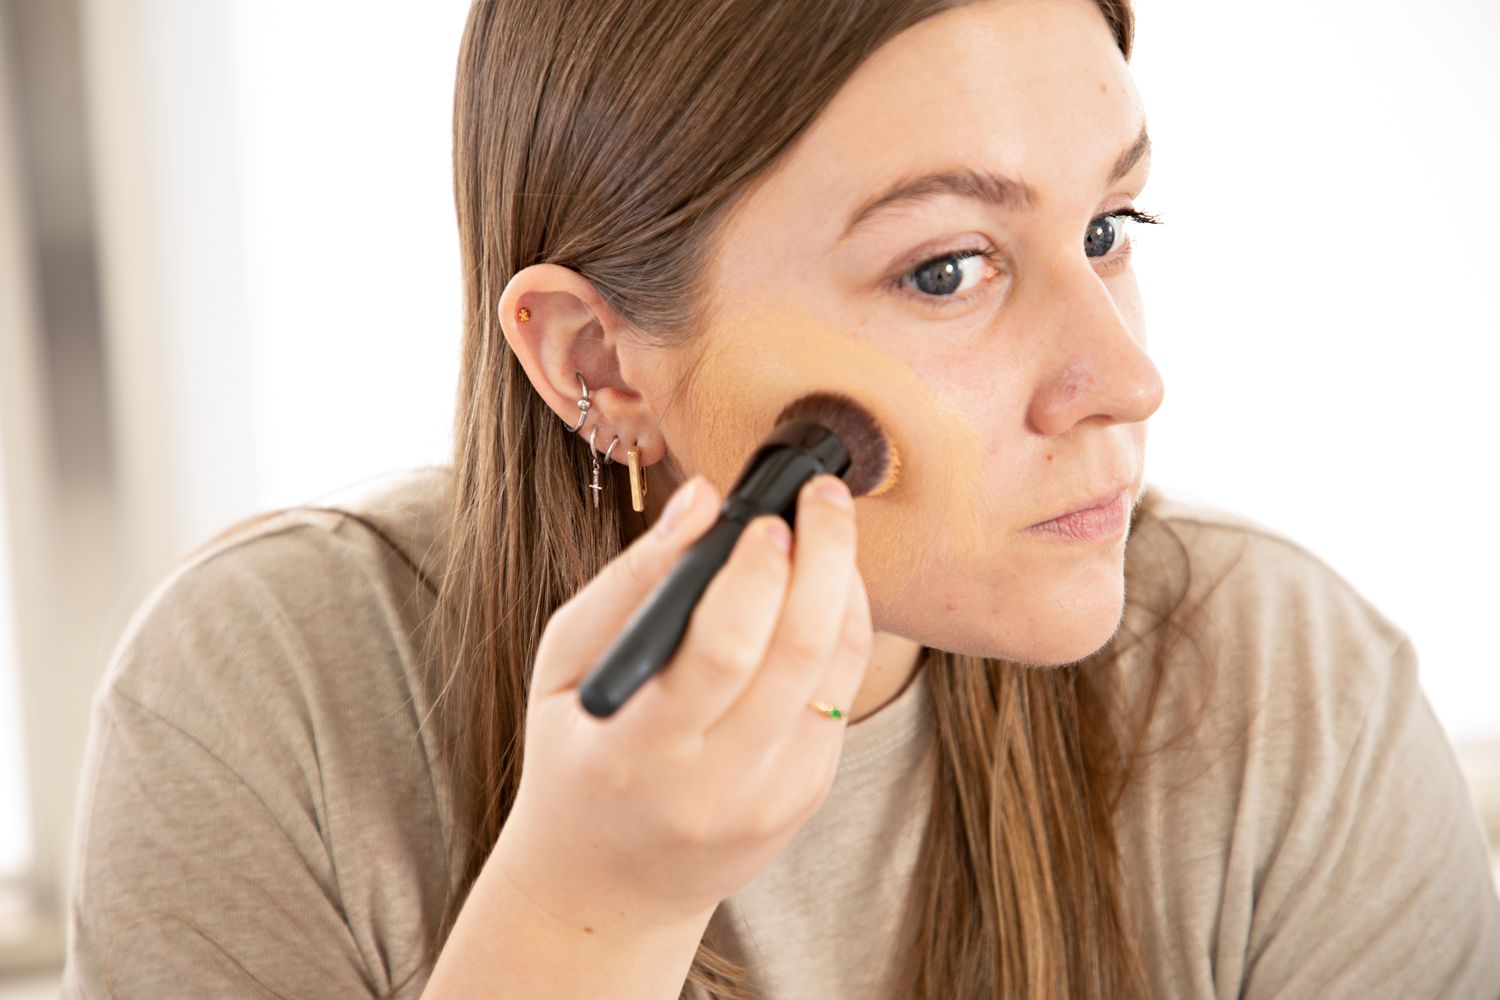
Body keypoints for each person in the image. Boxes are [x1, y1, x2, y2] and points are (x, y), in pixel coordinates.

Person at [62, 0, 1500, 997]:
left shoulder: (1285, 688)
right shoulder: (271, 699)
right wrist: (593, 903)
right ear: (599, 361)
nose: (1126, 380)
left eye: (1107, 229)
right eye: (946, 269)